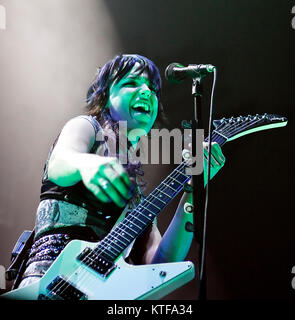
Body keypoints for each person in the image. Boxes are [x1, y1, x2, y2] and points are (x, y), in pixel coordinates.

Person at [16, 54, 225, 292]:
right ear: (105, 99)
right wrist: (88, 164)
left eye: (152, 88)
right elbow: (60, 163)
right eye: (131, 83)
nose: (146, 91)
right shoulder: (86, 126)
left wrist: (193, 190)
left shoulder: (135, 195)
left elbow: (159, 263)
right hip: (46, 284)